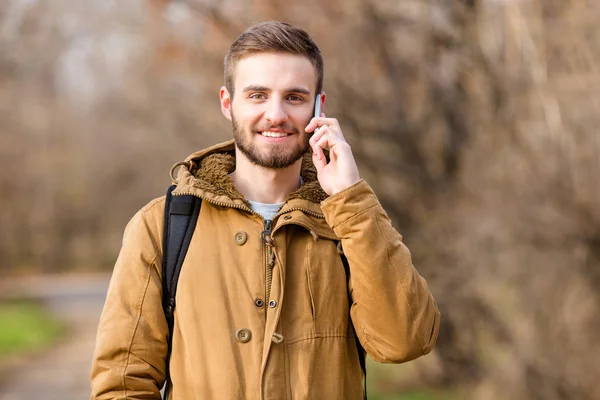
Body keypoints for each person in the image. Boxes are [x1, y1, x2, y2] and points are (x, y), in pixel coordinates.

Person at [90, 21, 440, 400]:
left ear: (318, 107)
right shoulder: (160, 225)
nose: (276, 114)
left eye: (294, 97)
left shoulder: (348, 219)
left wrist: (351, 196)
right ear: (228, 103)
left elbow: (406, 341)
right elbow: (121, 385)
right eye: (258, 95)